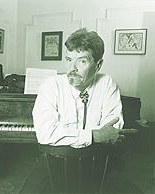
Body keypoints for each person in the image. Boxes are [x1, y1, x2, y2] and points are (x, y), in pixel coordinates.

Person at [20, 28, 143, 193]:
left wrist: (66, 134)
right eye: (69, 60)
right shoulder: (51, 85)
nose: (72, 68)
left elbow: (113, 130)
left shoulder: (107, 84)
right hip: (54, 161)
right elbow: (45, 133)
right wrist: (94, 135)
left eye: (82, 61)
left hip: (96, 162)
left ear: (98, 65)